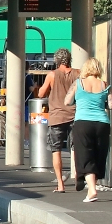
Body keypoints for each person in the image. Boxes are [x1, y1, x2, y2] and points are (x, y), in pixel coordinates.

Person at [65, 58, 112, 203]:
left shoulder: (78, 83)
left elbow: (67, 101)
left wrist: (79, 99)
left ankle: (91, 189)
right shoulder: (105, 85)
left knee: (85, 155)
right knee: (98, 155)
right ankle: (91, 183)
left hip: (83, 123)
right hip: (102, 123)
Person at [36, 48, 79, 193]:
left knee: (56, 150)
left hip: (57, 116)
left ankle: (60, 184)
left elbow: (41, 93)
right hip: (75, 114)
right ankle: (77, 176)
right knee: (75, 148)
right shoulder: (78, 74)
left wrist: (40, 88)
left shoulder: (52, 75)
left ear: (56, 60)